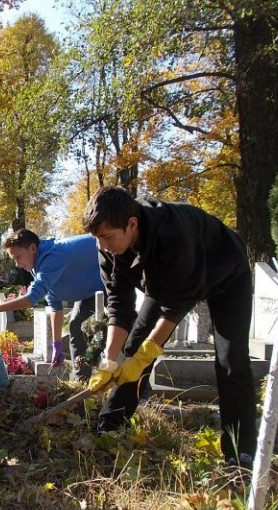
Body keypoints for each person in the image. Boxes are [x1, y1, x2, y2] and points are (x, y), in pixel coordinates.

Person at [82, 185, 256, 467]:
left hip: (225, 272)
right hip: (164, 281)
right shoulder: (107, 245)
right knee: (133, 345)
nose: (102, 245)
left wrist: (144, 357)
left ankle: (240, 453)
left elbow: (176, 306)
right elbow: (119, 306)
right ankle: (111, 428)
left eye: (107, 237)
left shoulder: (175, 235)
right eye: (97, 238)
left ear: (132, 224)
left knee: (231, 360)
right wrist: (109, 361)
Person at [0, 229, 105, 380]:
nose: (17, 264)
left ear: (32, 248)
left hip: (112, 281)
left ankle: (105, 373)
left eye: (18, 257)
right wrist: (57, 344)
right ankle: (82, 382)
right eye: (14, 259)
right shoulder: (37, 265)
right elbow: (55, 306)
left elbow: (30, 299)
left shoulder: (53, 256)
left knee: (99, 329)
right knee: (76, 326)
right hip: (90, 292)